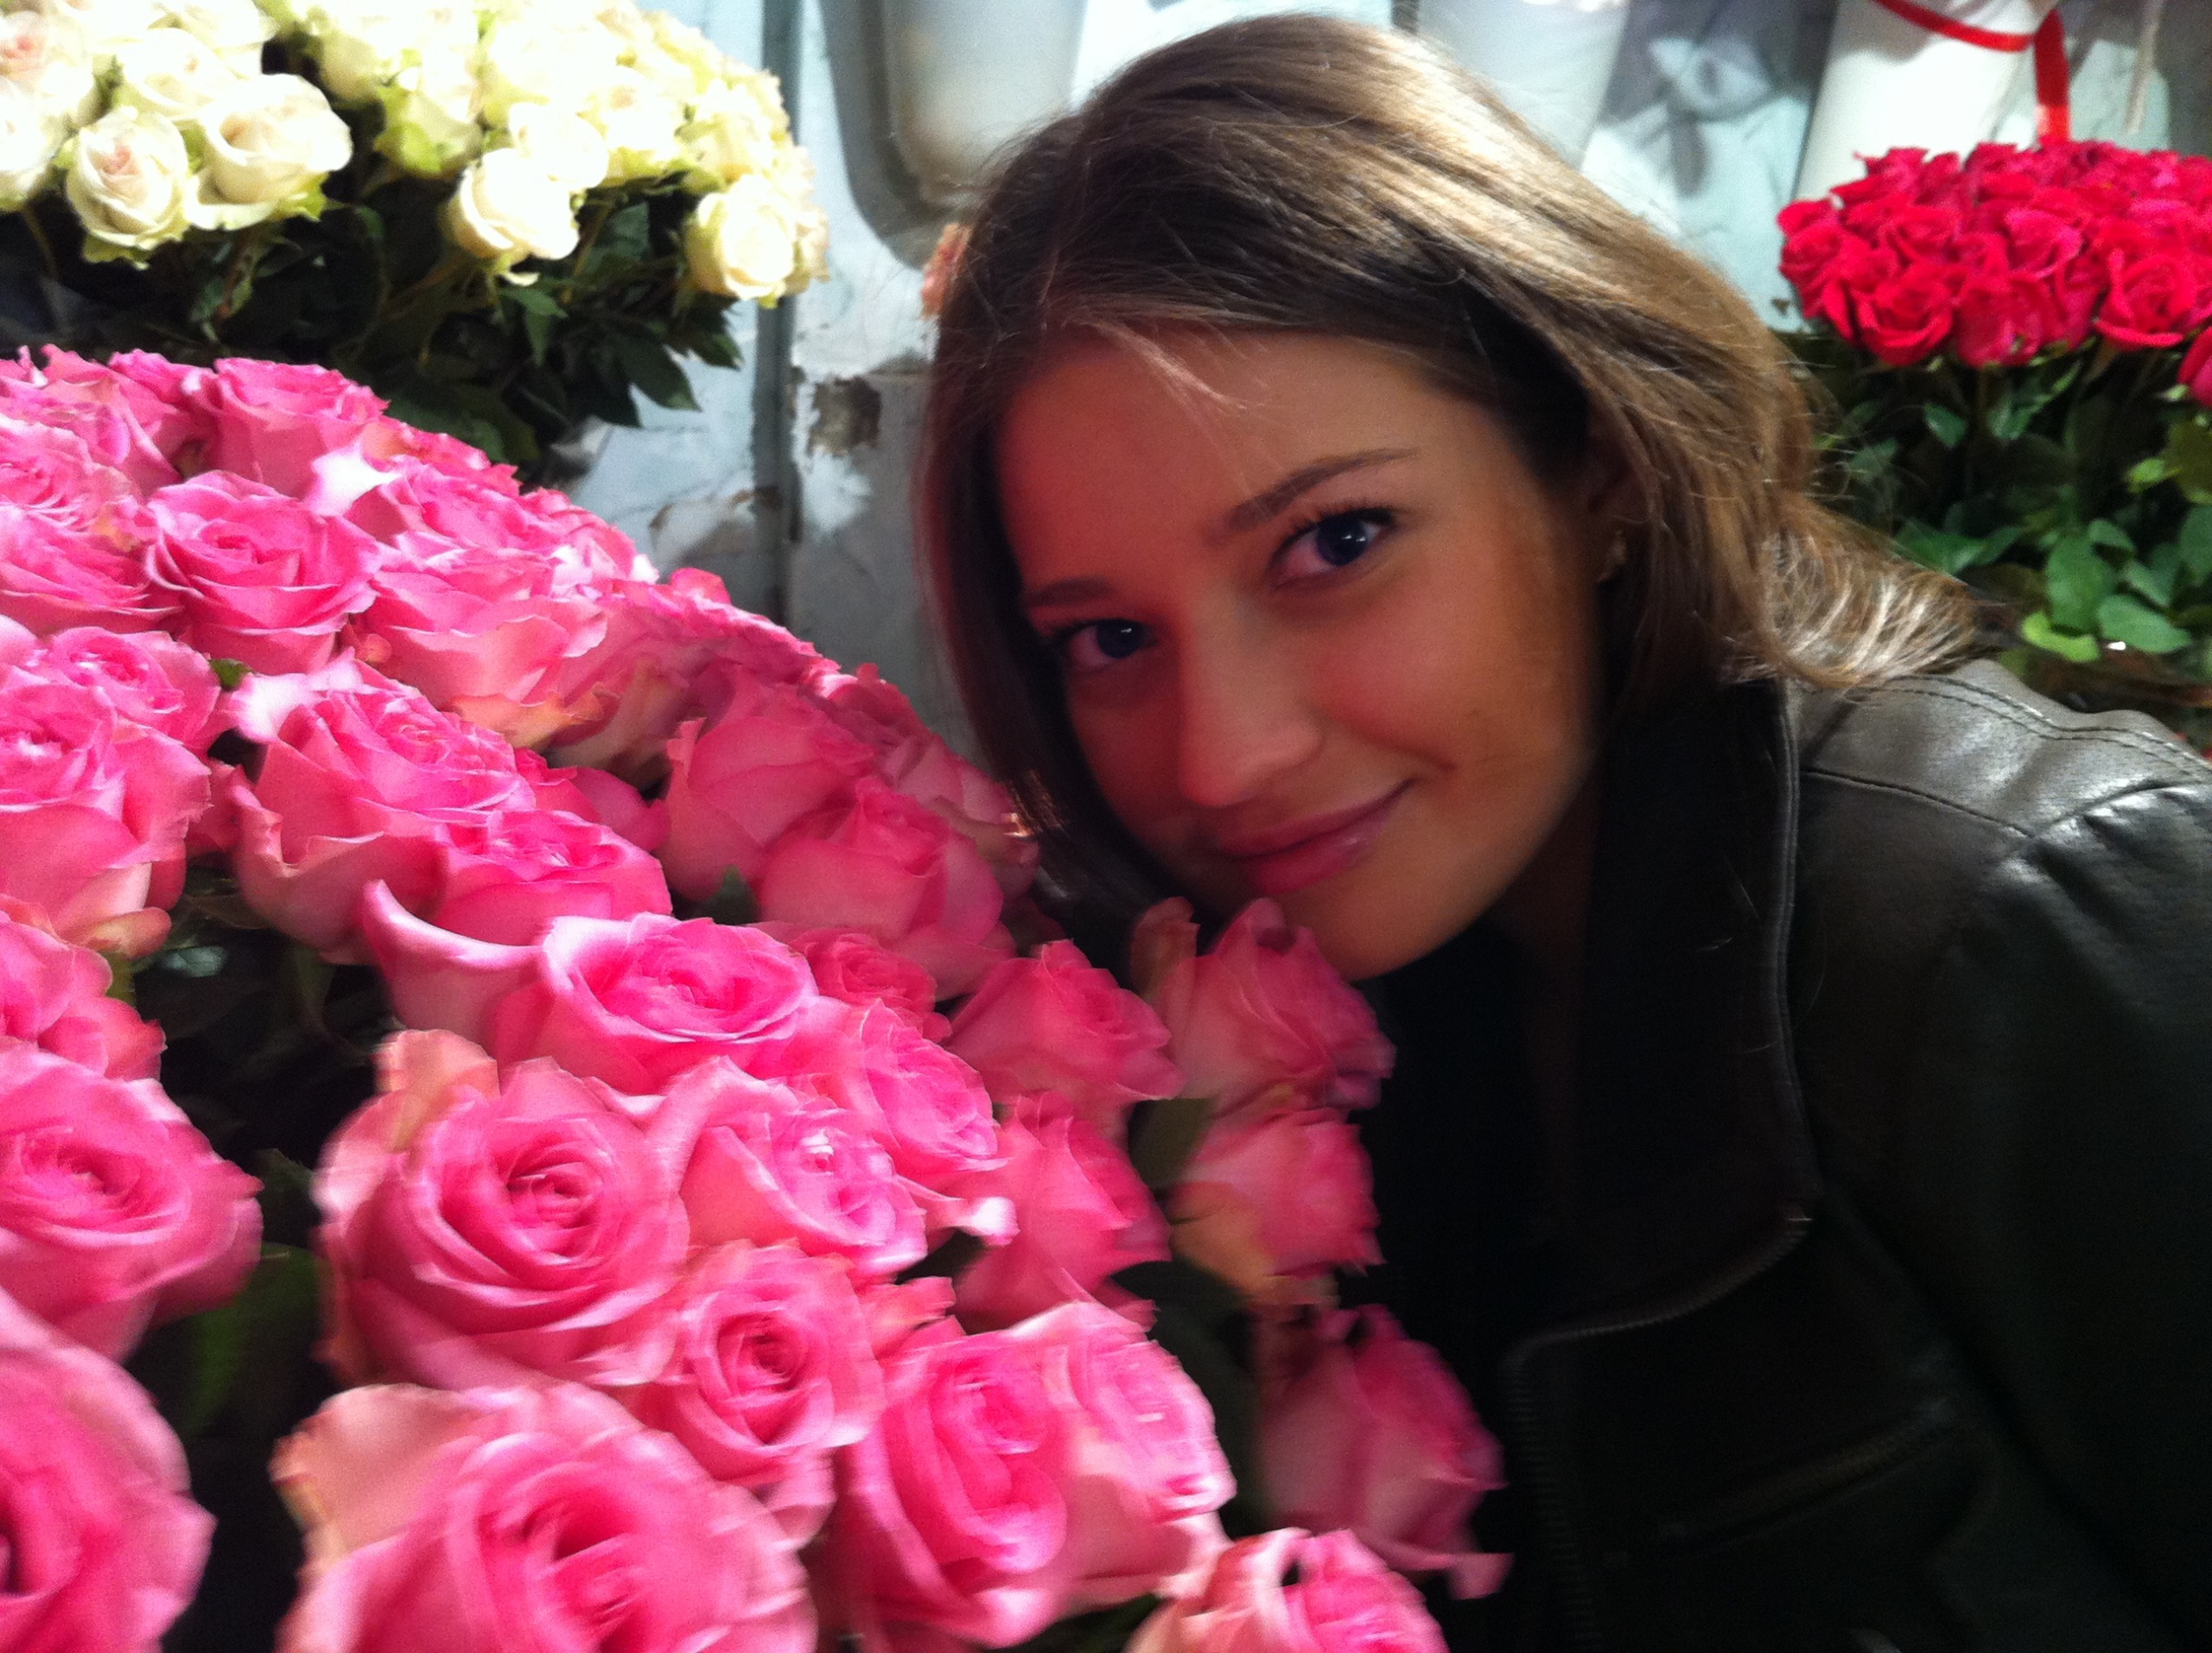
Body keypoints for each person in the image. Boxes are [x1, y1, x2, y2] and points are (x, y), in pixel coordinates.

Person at [918, 15, 2212, 1653]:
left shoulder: (2027, 917)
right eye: (1108, 638)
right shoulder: (1347, 1007)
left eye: (1337, 542)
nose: (1227, 757)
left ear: (1597, 455)